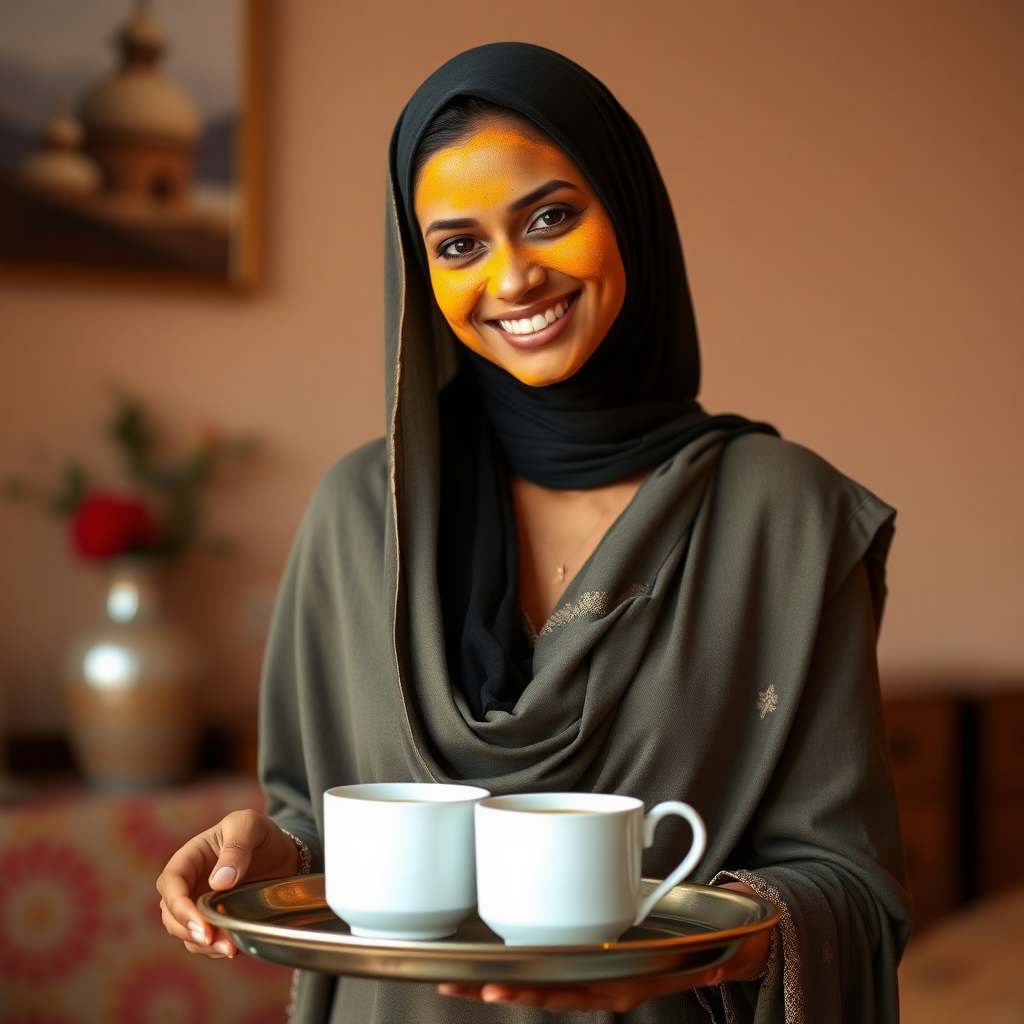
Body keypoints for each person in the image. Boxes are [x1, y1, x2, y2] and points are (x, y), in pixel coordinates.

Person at [158, 42, 911, 1023]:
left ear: (629, 213)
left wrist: (700, 947)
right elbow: (322, 828)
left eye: (550, 217)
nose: (512, 278)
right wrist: (275, 854)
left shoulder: (783, 517)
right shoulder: (359, 514)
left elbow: (846, 879)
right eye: (458, 244)